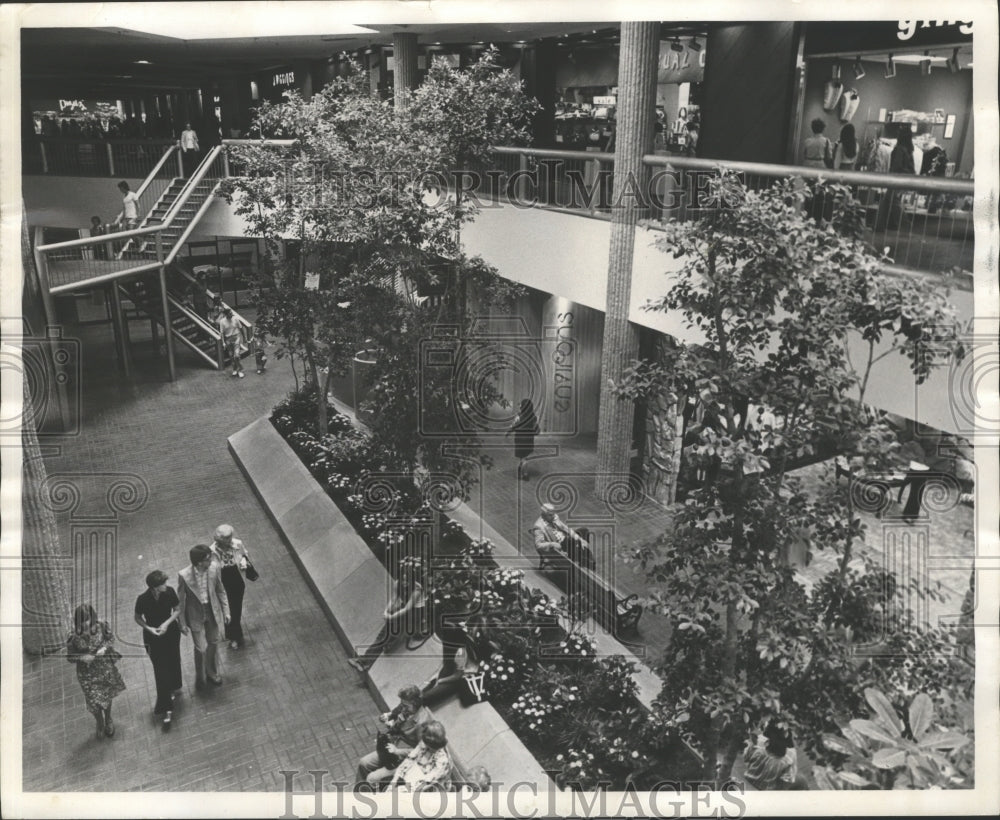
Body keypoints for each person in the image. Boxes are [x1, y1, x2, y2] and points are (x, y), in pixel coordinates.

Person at [349, 563, 428, 673]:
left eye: (407, 581)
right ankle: (365, 661)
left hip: (414, 614)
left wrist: (391, 617)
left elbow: (407, 609)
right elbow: (394, 599)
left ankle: (365, 662)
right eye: (403, 580)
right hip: (404, 609)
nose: (405, 583)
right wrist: (386, 611)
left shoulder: (417, 590)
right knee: (382, 635)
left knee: (385, 636)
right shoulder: (397, 584)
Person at [66, 604, 126, 739]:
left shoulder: (102, 625)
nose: (86, 624)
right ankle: (99, 722)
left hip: (104, 667)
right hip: (86, 673)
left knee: (106, 695)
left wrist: (104, 648)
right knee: (93, 701)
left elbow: (110, 639)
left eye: (89, 620)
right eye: (83, 621)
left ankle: (108, 719)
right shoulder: (73, 636)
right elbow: (69, 657)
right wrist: (82, 657)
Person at [357, 684, 433, 788]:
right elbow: (398, 730)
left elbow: (422, 752)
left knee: (372, 778)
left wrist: (397, 751)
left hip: (407, 759)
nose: (403, 708)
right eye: (402, 705)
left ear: (415, 703)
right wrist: (395, 724)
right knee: (364, 763)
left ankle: (373, 796)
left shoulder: (423, 723)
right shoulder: (407, 711)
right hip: (393, 750)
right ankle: (359, 791)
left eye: (406, 706)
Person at [177, 544, 230, 689]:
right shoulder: (184, 575)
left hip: (211, 611)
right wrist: (181, 622)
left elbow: (220, 590)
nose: (211, 561)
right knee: (200, 648)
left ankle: (211, 672)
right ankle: (200, 674)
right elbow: (180, 602)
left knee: (213, 642)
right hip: (195, 614)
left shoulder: (213, 569)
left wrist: (226, 611)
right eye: (208, 559)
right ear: (199, 562)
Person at [134, 569, 182, 726]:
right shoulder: (142, 599)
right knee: (160, 669)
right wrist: (149, 628)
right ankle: (165, 706)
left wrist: (166, 624)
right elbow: (138, 617)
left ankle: (175, 685)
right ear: (154, 587)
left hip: (170, 632)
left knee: (174, 660)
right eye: (162, 584)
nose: (166, 585)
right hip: (153, 637)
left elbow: (177, 610)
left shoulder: (169, 592)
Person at [420, 614, 501, 707]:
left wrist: (441, 680)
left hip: (462, 679)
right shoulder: (471, 647)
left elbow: (458, 676)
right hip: (463, 671)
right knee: (425, 692)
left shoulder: (463, 651)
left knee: (426, 697)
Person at [210, 524, 251, 649]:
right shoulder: (212, 550)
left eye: (230, 537)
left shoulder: (237, 543)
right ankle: (235, 636)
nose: (230, 540)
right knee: (227, 608)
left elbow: (245, 555)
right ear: (220, 539)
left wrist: (244, 561)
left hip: (236, 578)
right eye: (227, 538)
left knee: (235, 608)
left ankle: (234, 635)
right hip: (223, 580)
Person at [742, 721, 809, 790]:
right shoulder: (791, 752)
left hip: (749, 777)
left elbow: (746, 758)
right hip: (767, 787)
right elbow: (789, 778)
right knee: (801, 779)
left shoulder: (759, 739)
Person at [388, 721, 452, 792]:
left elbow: (425, 783)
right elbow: (409, 759)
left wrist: (402, 789)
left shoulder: (442, 760)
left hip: (430, 785)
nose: (427, 748)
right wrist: (395, 780)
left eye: (431, 748)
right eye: (427, 745)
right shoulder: (424, 743)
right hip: (416, 775)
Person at [532, 502, 596, 571]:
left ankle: (586, 555)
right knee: (571, 540)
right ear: (544, 515)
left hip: (566, 539)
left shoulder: (554, 517)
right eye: (550, 515)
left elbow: (565, 528)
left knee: (584, 530)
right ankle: (585, 558)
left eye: (553, 514)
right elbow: (538, 545)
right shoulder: (539, 526)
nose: (553, 516)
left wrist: (580, 539)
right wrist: (551, 544)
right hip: (560, 545)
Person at [506, 398, 538, 481]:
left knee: (522, 457)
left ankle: (524, 474)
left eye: (521, 404)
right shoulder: (533, 416)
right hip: (529, 439)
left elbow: (513, 425)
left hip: (519, 439)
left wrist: (508, 432)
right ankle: (523, 472)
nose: (519, 405)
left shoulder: (519, 416)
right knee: (525, 457)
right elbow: (535, 427)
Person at [218, 306, 247, 378]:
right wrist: (223, 342)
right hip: (228, 339)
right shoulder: (222, 321)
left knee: (236, 355)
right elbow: (221, 333)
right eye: (230, 313)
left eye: (231, 313)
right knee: (231, 356)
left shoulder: (236, 319)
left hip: (236, 337)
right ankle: (234, 368)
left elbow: (241, 328)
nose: (231, 314)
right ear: (226, 314)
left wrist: (244, 338)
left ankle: (240, 370)